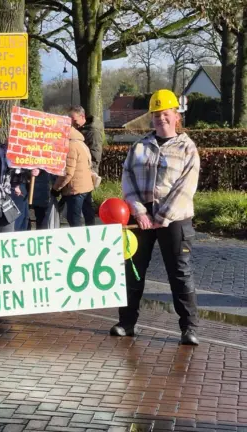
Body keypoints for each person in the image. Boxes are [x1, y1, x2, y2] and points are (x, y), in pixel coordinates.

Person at [112, 89, 200, 346]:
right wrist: (139, 211)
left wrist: (163, 216)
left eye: (165, 114)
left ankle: (189, 327)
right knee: (133, 271)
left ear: (175, 116)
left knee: (180, 273)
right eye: (156, 115)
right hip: (141, 219)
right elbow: (127, 179)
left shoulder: (187, 147)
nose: (160, 119)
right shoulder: (139, 146)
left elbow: (186, 186)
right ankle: (126, 322)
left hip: (175, 219)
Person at [52, 128, 96, 227]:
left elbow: (68, 173)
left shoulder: (70, 147)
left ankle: (78, 240)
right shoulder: (81, 143)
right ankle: (92, 238)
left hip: (75, 189)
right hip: (86, 186)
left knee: (74, 218)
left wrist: (56, 188)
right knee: (89, 217)